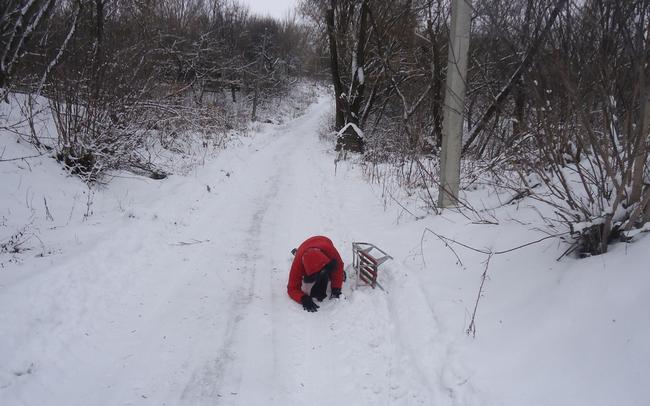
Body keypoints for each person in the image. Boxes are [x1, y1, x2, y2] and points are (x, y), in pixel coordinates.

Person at [287, 236, 344, 312]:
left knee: (331, 274)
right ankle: (296, 252)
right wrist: (303, 298)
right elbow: (292, 288)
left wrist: (336, 288)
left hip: (324, 241)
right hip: (303, 248)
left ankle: (324, 271)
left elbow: (339, 265)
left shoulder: (329, 250)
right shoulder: (298, 265)